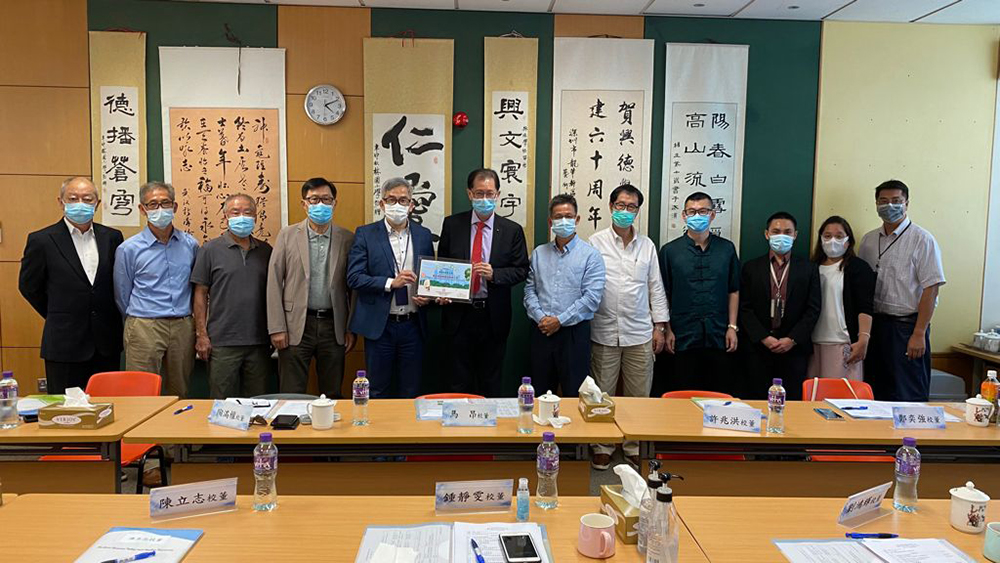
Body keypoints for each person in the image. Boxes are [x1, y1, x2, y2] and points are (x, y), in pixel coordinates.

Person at [18, 177, 125, 394]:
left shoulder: (112, 237)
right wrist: (58, 312)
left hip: (106, 343)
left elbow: (117, 283)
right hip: (64, 342)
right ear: (61, 202)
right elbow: (29, 287)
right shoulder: (42, 240)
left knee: (108, 406)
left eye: (87, 199)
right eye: (73, 198)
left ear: (97, 203)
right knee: (65, 409)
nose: (80, 204)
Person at [589, 184, 669, 470]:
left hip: (639, 332)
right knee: (602, 394)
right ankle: (602, 446)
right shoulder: (595, 242)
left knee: (639, 396)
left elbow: (655, 287)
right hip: (603, 330)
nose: (625, 211)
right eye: (621, 205)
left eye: (631, 207)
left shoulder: (647, 246)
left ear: (638, 211)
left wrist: (660, 327)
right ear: (611, 207)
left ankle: (633, 445)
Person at [437, 168, 529, 397]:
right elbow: (442, 265)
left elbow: (521, 270)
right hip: (459, 314)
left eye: (490, 193)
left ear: (498, 194)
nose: (484, 199)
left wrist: (494, 274)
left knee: (490, 381)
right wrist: (442, 290)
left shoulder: (512, 230)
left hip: (493, 315)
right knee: (458, 381)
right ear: (469, 194)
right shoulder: (452, 225)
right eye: (479, 193)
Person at [858, 180, 945, 401]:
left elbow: (931, 288)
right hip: (876, 326)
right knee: (876, 392)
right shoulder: (868, 240)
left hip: (907, 328)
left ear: (907, 203)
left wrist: (919, 333)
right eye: (883, 201)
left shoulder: (922, 240)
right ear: (876, 204)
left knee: (907, 393)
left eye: (896, 201)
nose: (890, 206)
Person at [267, 178, 355, 397]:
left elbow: (353, 288)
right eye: (314, 199)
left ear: (335, 203)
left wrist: (350, 328)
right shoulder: (287, 235)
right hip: (295, 324)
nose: (320, 205)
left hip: (333, 325)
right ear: (304, 204)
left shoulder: (347, 238)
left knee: (332, 391)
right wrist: (276, 327)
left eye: (326, 199)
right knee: (291, 391)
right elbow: (274, 282)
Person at [347, 177, 434, 398]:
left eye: (403, 200)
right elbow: (354, 278)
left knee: (412, 389)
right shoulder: (365, 234)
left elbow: (429, 277)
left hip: (413, 325)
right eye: (391, 200)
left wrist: (428, 296)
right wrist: (390, 283)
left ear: (411, 205)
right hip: (380, 326)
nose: (397, 205)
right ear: (382, 203)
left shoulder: (423, 235)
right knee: (377, 390)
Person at [114, 181, 199, 397]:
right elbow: (122, 294)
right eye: (152, 204)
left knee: (179, 391)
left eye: (165, 203)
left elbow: (195, 288)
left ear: (175, 207)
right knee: (140, 391)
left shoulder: (190, 244)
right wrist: (140, 318)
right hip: (144, 326)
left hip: (182, 326)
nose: (159, 209)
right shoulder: (128, 249)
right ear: (142, 209)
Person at [656, 192, 740, 395]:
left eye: (703, 211)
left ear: (712, 215)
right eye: (692, 212)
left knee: (718, 394)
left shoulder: (726, 249)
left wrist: (732, 327)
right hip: (682, 336)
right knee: (682, 393)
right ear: (684, 216)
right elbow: (663, 293)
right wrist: (667, 329)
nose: (697, 216)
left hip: (718, 335)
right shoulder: (670, 251)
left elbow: (733, 290)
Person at [192, 194, 273, 399]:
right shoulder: (209, 250)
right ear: (226, 216)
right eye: (235, 212)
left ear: (256, 216)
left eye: (248, 212)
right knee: (222, 401)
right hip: (222, 342)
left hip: (259, 341)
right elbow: (200, 294)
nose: (242, 217)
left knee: (258, 402)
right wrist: (201, 335)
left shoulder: (266, 251)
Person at [524, 194, 606, 395]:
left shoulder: (591, 255)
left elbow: (591, 298)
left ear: (577, 219)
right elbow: (529, 290)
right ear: (550, 222)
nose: (563, 221)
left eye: (568, 216)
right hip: (541, 331)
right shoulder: (538, 253)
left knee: (575, 393)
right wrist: (541, 318)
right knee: (540, 392)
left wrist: (559, 320)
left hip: (574, 334)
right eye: (558, 217)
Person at [739, 211, 820, 400]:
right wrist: (763, 337)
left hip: (794, 349)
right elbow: (745, 308)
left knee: (791, 401)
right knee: (756, 398)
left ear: (795, 235)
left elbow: (813, 309)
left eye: (787, 232)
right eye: (776, 232)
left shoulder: (809, 269)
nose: (781, 236)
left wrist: (792, 339)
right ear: (766, 234)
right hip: (759, 348)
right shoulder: (751, 267)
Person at [807, 216, 876, 383]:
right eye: (827, 236)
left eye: (839, 236)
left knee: (842, 395)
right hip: (813, 344)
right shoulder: (811, 268)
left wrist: (863, 339)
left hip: (844, 343)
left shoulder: (858, 268)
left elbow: (865, 307)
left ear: (848, 241)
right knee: (814, 393)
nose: (832, 241)